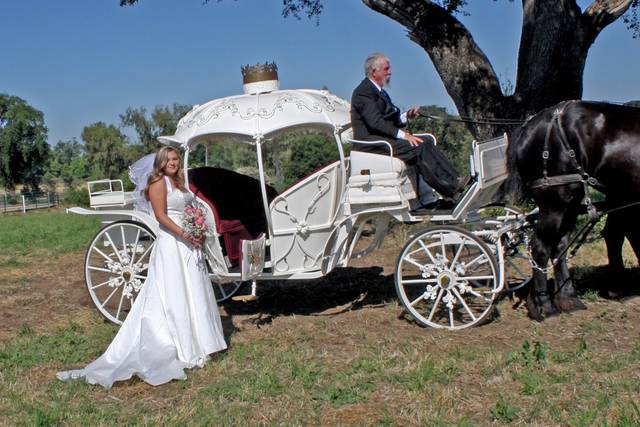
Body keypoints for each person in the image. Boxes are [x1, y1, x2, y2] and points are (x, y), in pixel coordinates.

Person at [57, 146, 227, 389]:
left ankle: (202, 342)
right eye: (168, 159)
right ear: (160, 162)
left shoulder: (179, 183)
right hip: (173, 243)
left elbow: (189, 209)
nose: (173, 162)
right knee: (175, 292)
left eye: (176, 158)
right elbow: (161, 217)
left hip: (190, 244)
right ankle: (181, 345)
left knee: (195, 290)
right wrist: (185, 234)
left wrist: (197, 230)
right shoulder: (158, 183)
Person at [350, 53, 469, 212]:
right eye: (386, 69)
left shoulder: (378, 91)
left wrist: (407, 116)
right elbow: (376, 122)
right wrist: (404, 135)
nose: (390, 72)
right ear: (374, 72)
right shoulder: (363, 92)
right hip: (373, 143)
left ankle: (453, 182)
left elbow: (390, 118)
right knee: (418, 146)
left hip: (383, 139)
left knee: (425, 141)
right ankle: (451, 187)